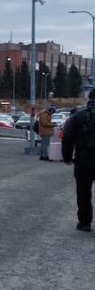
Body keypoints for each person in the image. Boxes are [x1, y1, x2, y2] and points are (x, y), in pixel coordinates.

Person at [62, 89, 95, 232]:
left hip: (83, 160)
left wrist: (67, 158)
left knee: (83, 192)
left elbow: (67, 137)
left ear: (89, 99)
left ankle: (84, 222)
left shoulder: (77, 116)